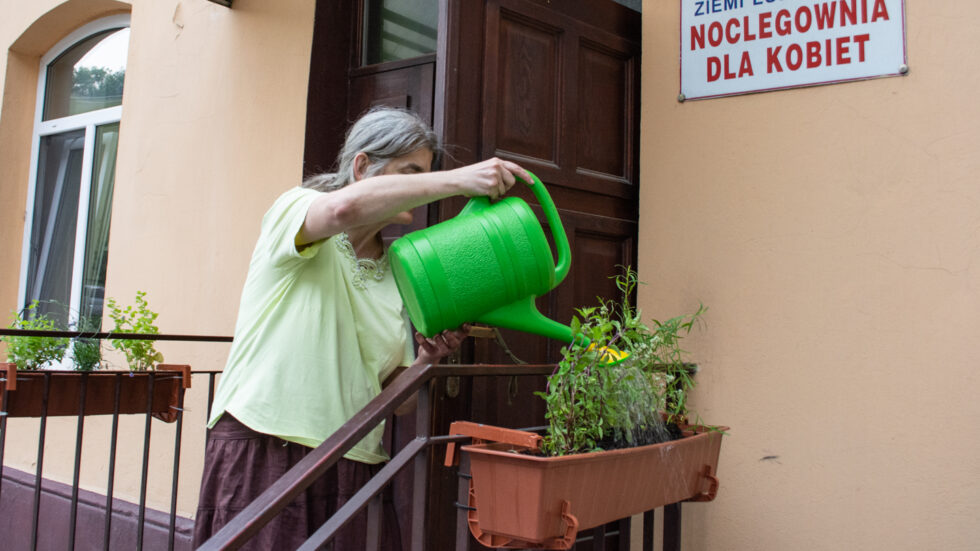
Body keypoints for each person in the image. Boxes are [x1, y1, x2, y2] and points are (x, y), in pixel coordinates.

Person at [192, 107, 530, 550]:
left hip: (353, 461)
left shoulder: (398, 271)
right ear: (362, 165)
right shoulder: (295, 211)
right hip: (266, 447)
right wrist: (461, 179)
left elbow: (398, 399)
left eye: (424, 176)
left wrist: (427, 360)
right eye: (409, 173)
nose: (418, 189)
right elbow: (344, 207)